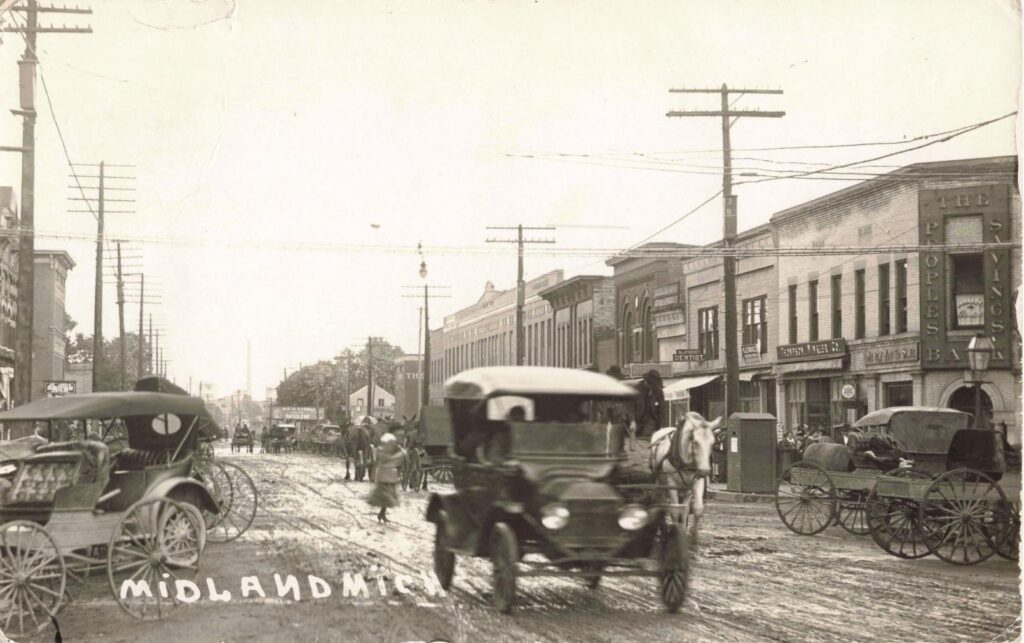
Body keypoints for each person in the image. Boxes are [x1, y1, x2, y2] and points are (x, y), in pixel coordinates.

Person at [367, 433, 402, 523]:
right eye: (390, 443)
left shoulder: (387, 451)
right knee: (385, 496)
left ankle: (382, 514)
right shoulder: (381, 451)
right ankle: (382, 514)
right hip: (384, 475)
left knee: (387, 497)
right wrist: (399, 454)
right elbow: (388, 459)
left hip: (389, 475)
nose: (392, 445)